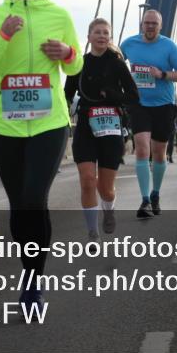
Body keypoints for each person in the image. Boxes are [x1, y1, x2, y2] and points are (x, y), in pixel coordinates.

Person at [0, 0, 82, 316]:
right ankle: (29, 272)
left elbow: (76, 66)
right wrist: (2, 36)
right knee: (20, 205)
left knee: (34, 198)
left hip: (49, 123)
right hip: (5, 125)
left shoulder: (59, 15)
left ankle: (33, 282)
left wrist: (67, 53)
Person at [63, 18, 138, 241]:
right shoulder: (79, 63)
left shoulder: (117, 64)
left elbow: (133, 96)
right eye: (98, 32)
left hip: (111, 128)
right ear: (89, 37)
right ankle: (92, 231)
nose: (102, 36)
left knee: (105, 188)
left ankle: (109, 209)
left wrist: (114, 95)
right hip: (85, 125)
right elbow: (66, 95)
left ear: (109, 38)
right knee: (87, 180)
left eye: (106, 33)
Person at [120, 9, 177, 218]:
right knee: (142, 149)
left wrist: (162, 74)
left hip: (163, 106)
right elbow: (114, 64)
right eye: (147, 23)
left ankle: (156, 193)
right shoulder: (128, 44)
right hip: (139, 105)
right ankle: (145, 200)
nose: (150, 26)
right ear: (142, 24)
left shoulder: (169, 46)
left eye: (154, 23)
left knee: (159, 153)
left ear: (160, 26)